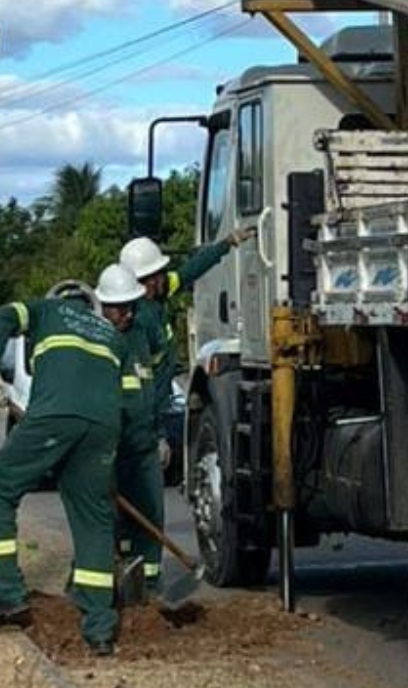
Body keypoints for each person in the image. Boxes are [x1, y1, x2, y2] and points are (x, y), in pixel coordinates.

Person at [0, 264, 144, 656]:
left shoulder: (46, 311)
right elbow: (130, 403)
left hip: (55, 416)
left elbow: (5, 315)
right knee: (95, 519)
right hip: (103, 427)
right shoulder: (116, 341)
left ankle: (9, 592)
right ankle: (100, 630)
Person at [114, 229, 251, 593]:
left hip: (151, 417)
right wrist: (156, 433)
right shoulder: (139, 321)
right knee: (142, 505)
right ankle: (143, 584)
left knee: (141, 506)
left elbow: (189, 271)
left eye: (161, 274)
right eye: (156, 276)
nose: (164, 279)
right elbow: (140, 387)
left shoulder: (157, 298)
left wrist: (226, 244)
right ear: (141, 283)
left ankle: (139, 581)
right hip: (139, 423)